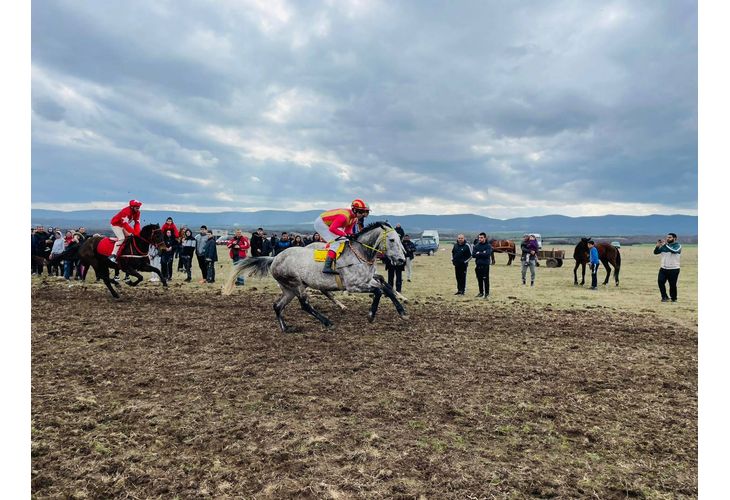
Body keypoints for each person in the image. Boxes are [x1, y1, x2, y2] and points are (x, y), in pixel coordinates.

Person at [314, 199, 370, 274]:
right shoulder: (344, 217)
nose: (362, 214)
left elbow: (348, 231)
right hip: (321, 223)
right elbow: (332, 229)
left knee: (346, 241)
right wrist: (345, 235)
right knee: (336, 243)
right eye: (361, 212)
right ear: (354, 210)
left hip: (330, 224)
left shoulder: (354, 219)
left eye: (364, 212)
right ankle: (326, 267)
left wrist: (352, 236)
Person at [654, 232, 682, 302]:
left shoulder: (677, 246)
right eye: (667, 237)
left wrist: (665, 245)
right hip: (663, 268)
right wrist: (657, 246)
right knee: (660, 282)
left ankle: (673, 298)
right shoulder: (665, 246)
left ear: (674, 238)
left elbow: (674, 251)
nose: (667, 238)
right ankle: (664, 297)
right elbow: (656, 252)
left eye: (670, 237)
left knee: (672, 285)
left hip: (674, 269)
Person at [472, 232, 493, 298]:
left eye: (481, 238)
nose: (480, 239)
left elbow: (487, 254)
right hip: (478, 265)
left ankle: (487, 293)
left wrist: (479, 253)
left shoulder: (488, 246)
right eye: (479, 238)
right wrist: (482, 253)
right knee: (479, 279)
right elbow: (473, 255)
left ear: (485, 238)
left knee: (485, 279)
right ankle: (481, 292)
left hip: (485, 265)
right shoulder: (477, 246)